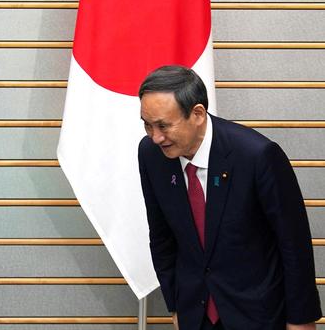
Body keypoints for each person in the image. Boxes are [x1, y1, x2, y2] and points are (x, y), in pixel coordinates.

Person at [137, 65, 321, 330]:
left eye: (164, 125)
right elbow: (161, 236)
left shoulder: (257, 156)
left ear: (198, 114)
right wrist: (175, 305)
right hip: (194, 313)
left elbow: (294, 245)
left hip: (257, 314)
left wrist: (301, 319)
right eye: (147, 125)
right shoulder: (150, 154)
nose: (155, 137)